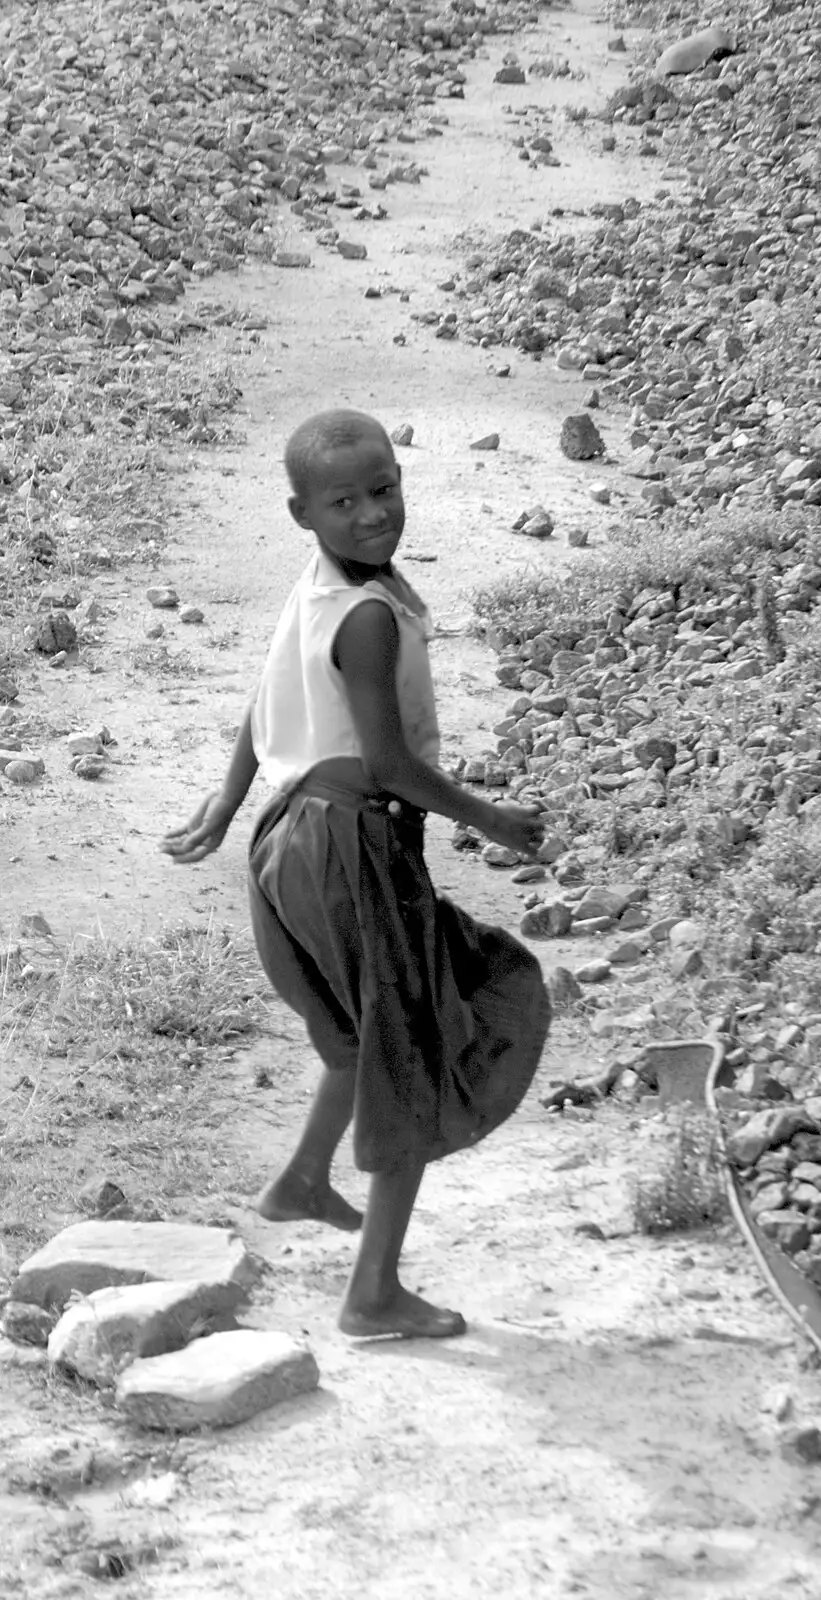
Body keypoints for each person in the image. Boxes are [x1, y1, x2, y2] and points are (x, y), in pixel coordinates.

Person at [162, 408, 551, 1340]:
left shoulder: (323, 586)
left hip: (286, 841)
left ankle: (300, 1180)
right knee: (409, 1047)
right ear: (303, 514)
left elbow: (265, 704)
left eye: (385, 490)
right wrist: (491, 818)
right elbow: (388, 765)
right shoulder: (369, 616)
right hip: (348, 842)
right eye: (345, 502)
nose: (373, 514)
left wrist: (225, 808)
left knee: (352, 1034)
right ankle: (372, 1294)